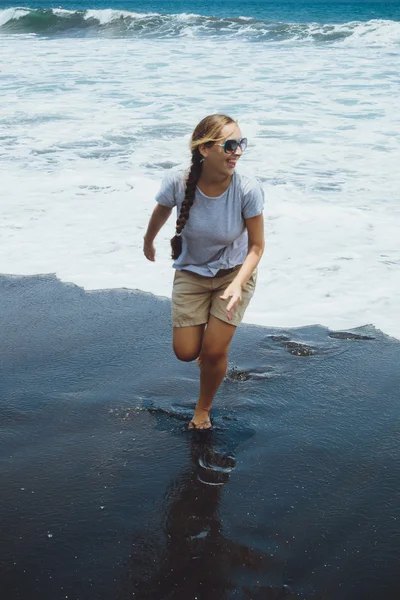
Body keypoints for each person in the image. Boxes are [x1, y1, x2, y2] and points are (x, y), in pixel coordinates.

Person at [143, 114, 265, 430]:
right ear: (205, 149)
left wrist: (239, 283)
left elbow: (257, 247)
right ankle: (206, 350)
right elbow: (162, 209)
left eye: (241, 143)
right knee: (186, 352)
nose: (238, 151)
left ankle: (203, 409)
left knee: (213, 352)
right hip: (191, 272)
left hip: (234, 274)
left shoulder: (247, 189)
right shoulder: (177, 181)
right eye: (230, 144)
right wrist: (148, 239)